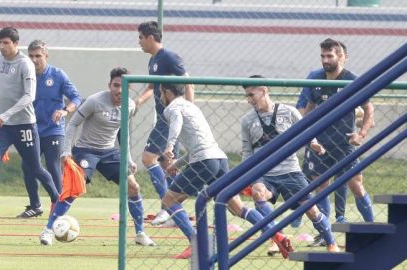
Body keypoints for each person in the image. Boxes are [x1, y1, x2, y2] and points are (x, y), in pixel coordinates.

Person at [158, 83, 294, 260]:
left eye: (160, 92)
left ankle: (197, 243)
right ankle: (277, 235)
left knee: (169, 200)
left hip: (204, 161)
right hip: (219, 159)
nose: (160, 96)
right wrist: (177, 164)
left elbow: (177, 121)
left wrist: (169, 145)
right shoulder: (192, 107)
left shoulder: (172, 108)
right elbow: (199, 145)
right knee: (237, 208)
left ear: (167, 92)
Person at [39, 67, 155, 247]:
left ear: (129, 87)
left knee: (133, 187)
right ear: (110, 85)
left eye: (123, 86)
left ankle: (140, 233)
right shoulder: (95, 101)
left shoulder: (130, 105)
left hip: (109, 152)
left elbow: (123, 133)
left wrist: (129, 158)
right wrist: (66, 151)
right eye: (115, 85)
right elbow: (72, 124)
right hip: (86, 150)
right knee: (73, 189)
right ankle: (48, 231)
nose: (118, 90)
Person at [242, 75, 340, 253]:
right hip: (263, 173)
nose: (249, 100)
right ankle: (277, 237)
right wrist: (245, 175)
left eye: (252, 95)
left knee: (311, 210)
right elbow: (247, 151)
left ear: (264, 90)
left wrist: (314, 143)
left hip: (290, 171)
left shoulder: (288, 111)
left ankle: (331, 243)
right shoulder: (247, 120)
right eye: (247, 96)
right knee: (258, 193)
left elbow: (306, 131)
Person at [297, 38, 375, 247]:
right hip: (320, 145)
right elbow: (308, 111)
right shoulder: (316, 79)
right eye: (323, 56)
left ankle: (373, 227)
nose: (325, 60)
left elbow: (369, 109)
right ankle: (325, 234)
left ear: (341, 57)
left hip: (344, 143)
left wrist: (361, 134)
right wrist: (309, 138)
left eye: (329, 55)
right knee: (320, 187)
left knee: (356, 185)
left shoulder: (353, 80)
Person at [0, 27, 59, 221]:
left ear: (16, 44)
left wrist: (5, 115)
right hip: (3, 127)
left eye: (6, 43)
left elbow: (29, 96)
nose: (2, 47)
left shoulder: (25, 64)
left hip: (24, 125)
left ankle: (57, 200)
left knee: (35, 167)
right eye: (0, 42)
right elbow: (1, 85)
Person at [135, 21, 195, 226]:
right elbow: (152, 87)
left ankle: (168, 206)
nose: (139, 42)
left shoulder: (169, 57)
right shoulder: (152, 61)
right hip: (164, 117)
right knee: (168, 164)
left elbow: (187, 80)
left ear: (151, 37)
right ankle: (173, 211)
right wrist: (136, 104)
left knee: (148, 158)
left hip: (170, 118)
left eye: (141, 37)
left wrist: (188, 109)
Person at [16, 40, 82, 218]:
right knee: (27, 166)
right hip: (31, 128)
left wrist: (64, 110)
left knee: (53, 166)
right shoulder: (25, 75)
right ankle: (35, 206)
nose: (34, 59)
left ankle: (58, 206)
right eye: (31, 56)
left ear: (46, 56)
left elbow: (76, 98)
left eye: (38, 56)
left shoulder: (58, 75)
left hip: (53, 130)